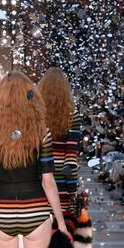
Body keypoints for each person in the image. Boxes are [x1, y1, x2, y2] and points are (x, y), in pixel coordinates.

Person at [0, 72, 68, 248]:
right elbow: (48, 181)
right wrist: (60, 221)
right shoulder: (42, 131)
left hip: (1, 211)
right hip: (36, 210)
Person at [36, 68, 82, 221]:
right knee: (60, 230)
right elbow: (70, 157)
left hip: (38, 176)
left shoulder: (36, 112)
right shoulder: (72, 115)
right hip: (60, 179)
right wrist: (72, 192)